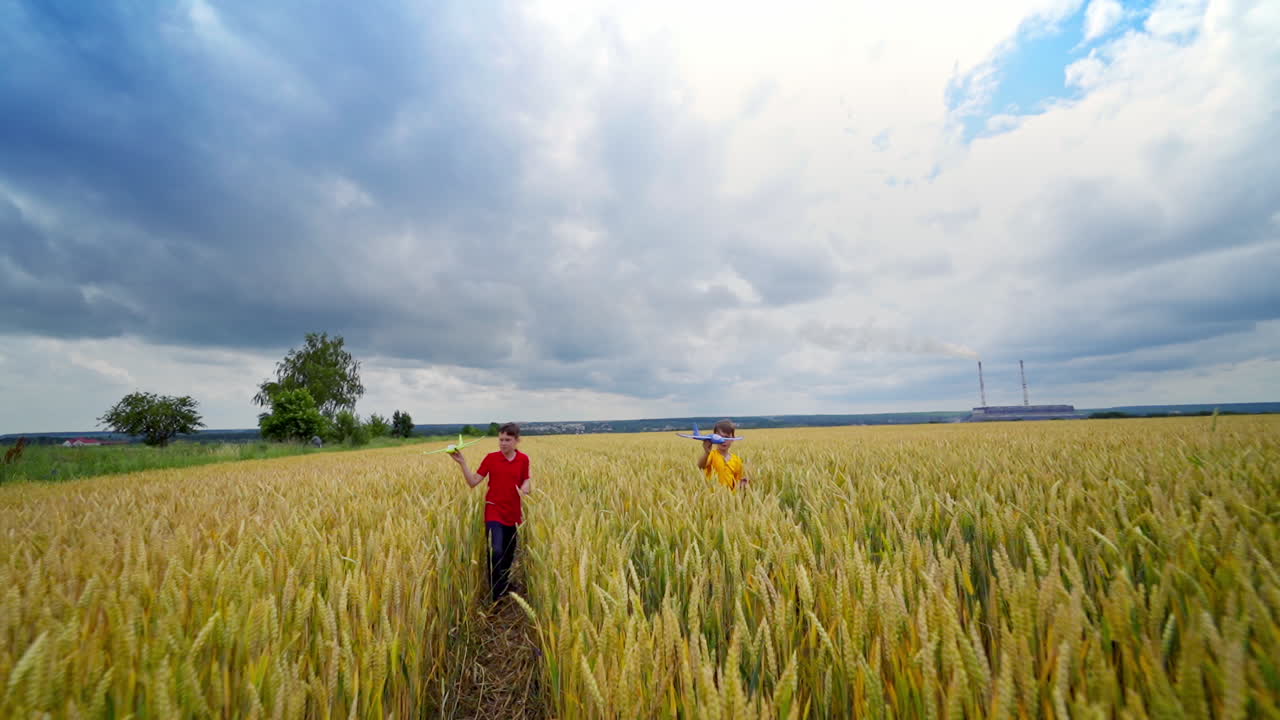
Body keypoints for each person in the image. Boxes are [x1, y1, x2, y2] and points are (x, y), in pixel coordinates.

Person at [450, 422, 533, 602]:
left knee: (509, 553)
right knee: (496, 550)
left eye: (507, 440)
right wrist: (462, 462)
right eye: (501, 439)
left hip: (513, 513)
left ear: (517, 441)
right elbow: (473, 482)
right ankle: (497, 594)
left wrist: (526, 486)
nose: (503, 443)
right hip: (494, 510)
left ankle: (503, 583)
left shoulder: (524, 459)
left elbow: (526, 479)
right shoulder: (491, 458)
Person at [696, 419, 748, 490]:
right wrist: (707, 453)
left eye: (726, 437)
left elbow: (736, 482)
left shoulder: (737, 460)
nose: (723, 440)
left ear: (733, 439)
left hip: (730, 498)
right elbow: (700, 467)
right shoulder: (712, 455)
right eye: (719, 437)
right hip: (712, 497)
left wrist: (742, 484)